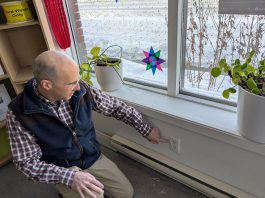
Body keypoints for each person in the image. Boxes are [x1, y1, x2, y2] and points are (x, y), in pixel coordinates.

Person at [6, 50, 168, 198]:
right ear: (47, 85)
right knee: (95, 196)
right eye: (71, 83)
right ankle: (64, 189)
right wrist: (69, 177)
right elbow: (26, 163)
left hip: (92, 157)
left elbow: (116, 107)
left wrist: (145, 129)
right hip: (62, 167)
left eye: (78, 79)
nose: (78, 87)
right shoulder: (18, 112)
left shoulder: (80, 88)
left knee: (126, 194)